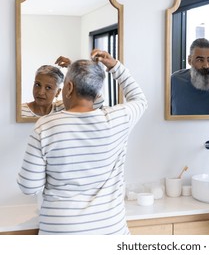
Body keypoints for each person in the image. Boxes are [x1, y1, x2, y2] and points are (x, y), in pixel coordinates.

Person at [17, 49, 148, 235]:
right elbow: (140, 100)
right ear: (97, 91)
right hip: (110, 231)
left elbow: (29, 187)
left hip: (63, 234)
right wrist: (115, 66)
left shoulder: (46, 126)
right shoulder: (119, 119)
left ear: (68, 88)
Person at [22, 56, 103, 117]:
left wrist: (72, 68)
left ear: (58, 92)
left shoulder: (62, 107)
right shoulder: (20, 111)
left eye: (48, 88)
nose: (40, 92)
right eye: (37, 85)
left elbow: (98, 101)